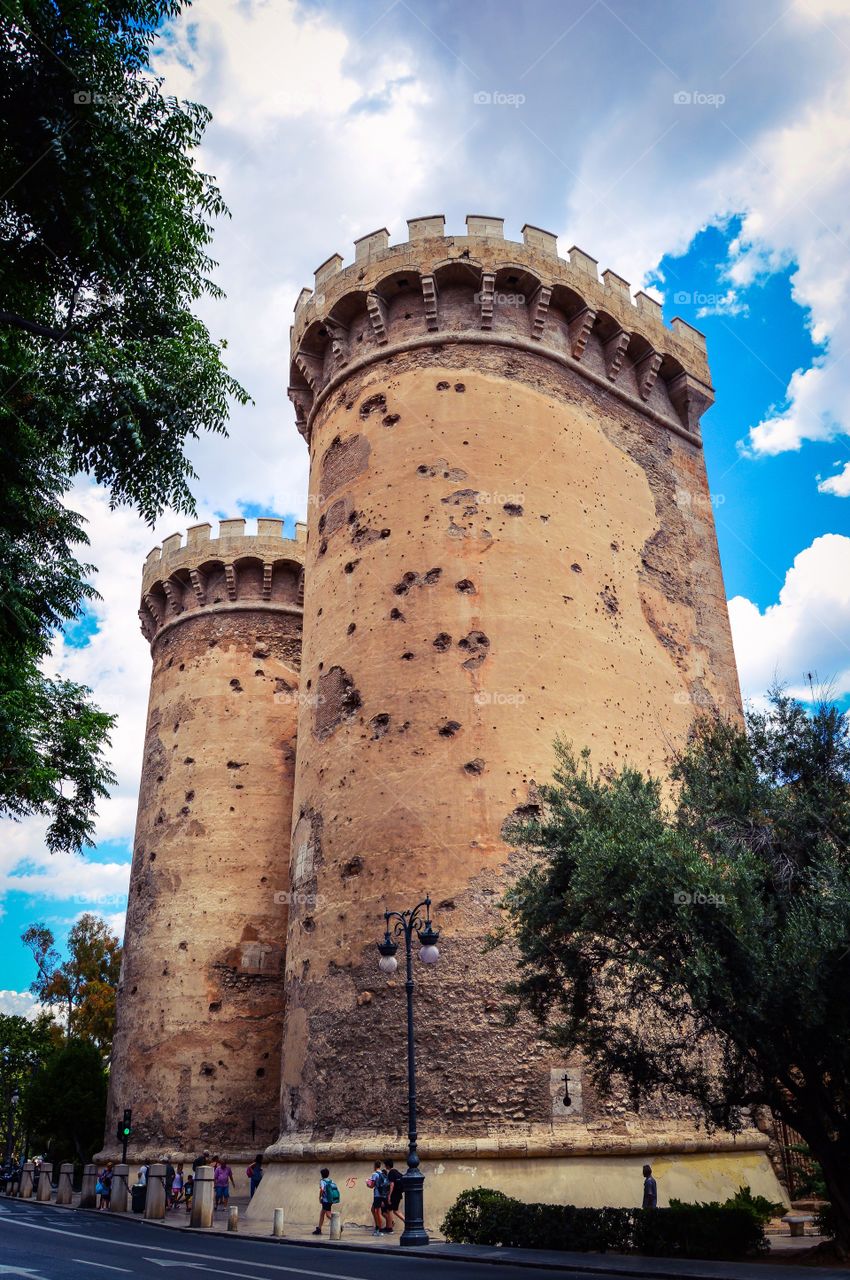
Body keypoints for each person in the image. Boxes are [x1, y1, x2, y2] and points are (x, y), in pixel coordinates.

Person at [367, 1160, 388, 1236]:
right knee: (373, 1210)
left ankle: (379, 1229)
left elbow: (372, 1185)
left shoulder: (375, 1174)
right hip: (383, 1195)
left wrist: (367, 1183)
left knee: (377, 1212)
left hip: (377, 1195)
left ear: (375, 1166)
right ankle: (377, 1227)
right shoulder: (382, 1173)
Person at [313, 1166, 335, 1235]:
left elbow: (322, 1189)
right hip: (330, 1199)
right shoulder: (331, 1180)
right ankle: (319, 1229)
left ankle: (338, 1225)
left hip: (325, 1200)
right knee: (322, 1213)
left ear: (322, 1175)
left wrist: (320, 1197)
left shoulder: (322, 1181)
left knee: (328, 1215)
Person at [383, 1160, 404, 1231]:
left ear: (387, 1165)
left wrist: (389, 1196)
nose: (385, 1167)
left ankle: (389, 1228)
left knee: (390, 1210)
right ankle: (407, 1223)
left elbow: (392, 1184)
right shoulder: (397, 1172)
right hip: (398, 1194)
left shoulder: (391, 1173)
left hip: (394, 1195)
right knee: (395, 1210)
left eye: (385, 1165)